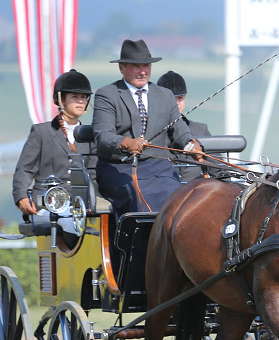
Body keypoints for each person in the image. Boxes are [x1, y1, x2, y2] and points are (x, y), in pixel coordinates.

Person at [91, 39, 202, 220]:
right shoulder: (107, 95)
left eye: (146, 66)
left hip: (158, 168)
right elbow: (103, 136)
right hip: (119, 168)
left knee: (178, 199)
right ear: (122, 68)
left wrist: (191, 144)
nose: (143, 71)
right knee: (139, 198)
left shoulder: (164, 95)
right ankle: (139, 247)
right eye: (136, 66)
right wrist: (126, 143)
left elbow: (179, 129)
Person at [13, 69, 97, 219]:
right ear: (61, 100)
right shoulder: (41, 132)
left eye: (83, 97)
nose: (80, 101)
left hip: (81, 205)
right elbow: (25, 169)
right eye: (75, 97)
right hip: (48, 203)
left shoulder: (92, 136)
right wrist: (21, 196)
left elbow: (94, 175)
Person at [156, 70, 211, 181]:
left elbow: (219, 171)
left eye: (180, 98)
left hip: (196, 194)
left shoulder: (201, 130)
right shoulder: (150, 132)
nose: (176, 103)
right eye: (171, 99)